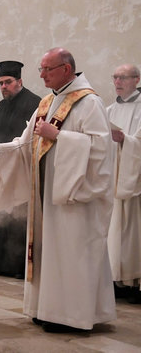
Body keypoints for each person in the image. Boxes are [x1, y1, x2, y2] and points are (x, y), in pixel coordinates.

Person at [0, 47, 116, 332]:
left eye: (46, 70)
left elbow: (101, 150)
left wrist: (60, 137)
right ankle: (48, 309)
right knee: (47, 253)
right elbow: (26, 143)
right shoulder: (46, 103)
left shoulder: (89, 102)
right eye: (40, 69)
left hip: (74, 197)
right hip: (46, 196)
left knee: (72, 253)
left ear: (66, 69)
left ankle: (75, 317)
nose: (41, 75)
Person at [0, 61, 41, 278]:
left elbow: (29, 140)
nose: (4, 86)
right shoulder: (1, 106)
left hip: (22, 167)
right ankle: (5, 264)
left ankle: (21, 266)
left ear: (19, 81)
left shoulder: (34, 103)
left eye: (8, 82)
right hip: (3, 165)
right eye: (1, 83)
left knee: (20, 217)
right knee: (5, 215)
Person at [106, 63, 141, 303]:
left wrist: (125, 141)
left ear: (136, 80)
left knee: (132, 232)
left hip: (134, 178)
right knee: (113, 231)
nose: (118, 82)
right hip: (112, 178)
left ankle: (134, 281)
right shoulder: (108, 110)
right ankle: (115, 280)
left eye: (123, 77)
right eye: (115, 77)